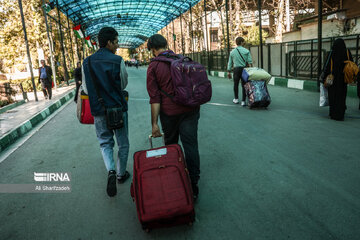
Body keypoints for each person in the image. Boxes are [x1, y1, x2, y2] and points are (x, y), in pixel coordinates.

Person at [146, 34, 201, 200]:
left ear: (153, 49)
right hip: (190, 110)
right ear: (166, 44)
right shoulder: (183, 59)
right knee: (191, 145)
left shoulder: (154, 66)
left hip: (169, 114)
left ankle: (174, 179)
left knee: (171, 146)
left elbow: (155, 99)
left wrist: (154, 124)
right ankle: (193, 184)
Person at [82, 27, 130, 197]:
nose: (117, 45)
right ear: (109, 42)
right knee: (122, 143)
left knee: (105, 142)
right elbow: (123, 84)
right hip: (117, 108)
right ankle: (120, 174)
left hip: (99, 111)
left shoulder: (86, 62)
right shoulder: (118, 61)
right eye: (116, 42)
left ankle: (110, 170)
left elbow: (86, 89)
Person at [322, 38, 353, 121]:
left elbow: (327, 66)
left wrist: (324, 78)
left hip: (333, 79)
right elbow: (351, 63)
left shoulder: (331, 53)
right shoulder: (347, 52)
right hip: (343, 79)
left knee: (333, 96)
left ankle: (333, 113)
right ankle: (340, 113)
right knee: (341, 96)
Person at [227, 37, 253, 106]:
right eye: (243, 42)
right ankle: (243, 101)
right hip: (244, 69)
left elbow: (230, 63)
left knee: (236, 84)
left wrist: (228, 71)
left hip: (236, 69)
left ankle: (236, 99)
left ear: (236, 43)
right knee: (244, 85)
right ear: (241, 42)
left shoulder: (232, 52)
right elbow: (250, 62)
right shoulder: (246, 51)